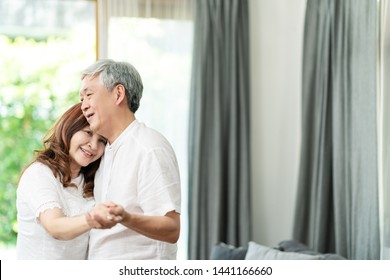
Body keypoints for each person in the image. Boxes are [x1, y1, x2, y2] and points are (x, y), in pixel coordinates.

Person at [79, 59, 181, 260]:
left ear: (118, 94)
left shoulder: (149, 147)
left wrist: (125, 217)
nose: (83, 106)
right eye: (81, 99)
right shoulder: (106, 151)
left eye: (88, 95)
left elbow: (171, 229)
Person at [16, 103, 113, 259]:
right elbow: (55, 227)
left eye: (101, 140)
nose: (93, 145)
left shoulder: (92, 179)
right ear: (69, 129)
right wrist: (93, 219)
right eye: (88, 133)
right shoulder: (39, 173)